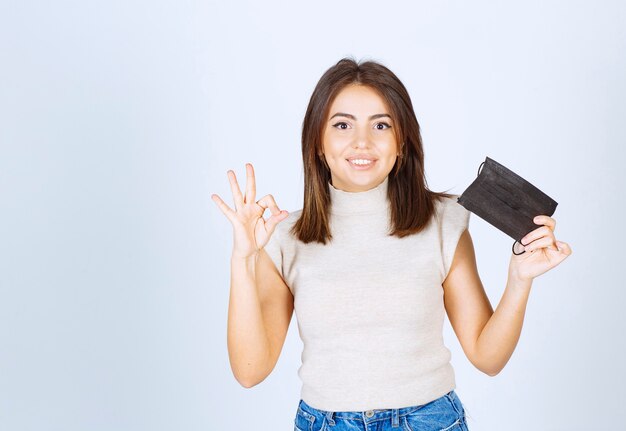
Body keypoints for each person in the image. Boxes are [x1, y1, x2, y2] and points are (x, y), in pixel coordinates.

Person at [211, 58, 572, 431]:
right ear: (318, 142)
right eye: (342, 124)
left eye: (381, 125)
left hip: (430, 421)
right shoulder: (284, 236)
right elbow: (250, 371)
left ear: (401, 142)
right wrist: (243, 259)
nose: (362, 142)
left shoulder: (442, 222)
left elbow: (487, 357)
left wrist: (519, 279)